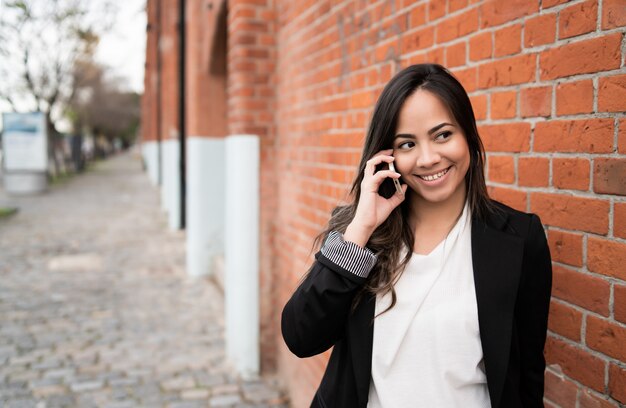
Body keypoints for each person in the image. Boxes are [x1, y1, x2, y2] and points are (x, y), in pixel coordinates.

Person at [281, 63, 552, 408]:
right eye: (407, 144)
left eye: (442, 135)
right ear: (387, 156)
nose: (428, 158)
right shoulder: (360, 236)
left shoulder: (519, 239)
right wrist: (362, 228)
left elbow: (527, 371)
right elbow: (301, 336)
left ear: (467, 135)